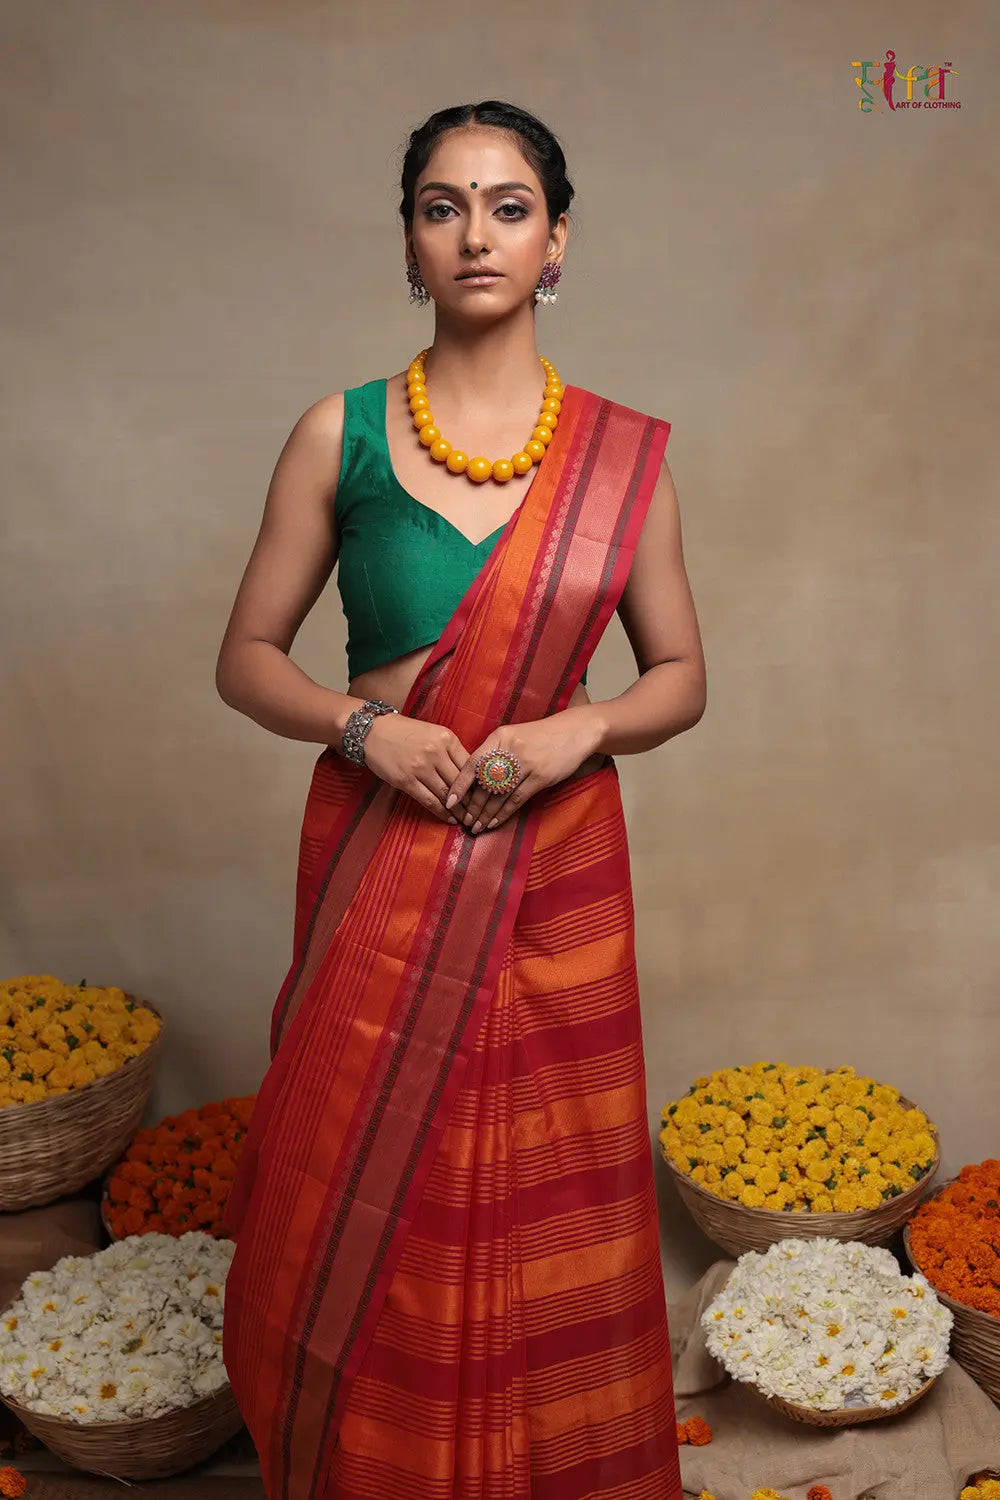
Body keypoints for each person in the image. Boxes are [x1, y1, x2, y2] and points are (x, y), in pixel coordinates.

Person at [216, 99, 706, 1500]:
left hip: (554, 870)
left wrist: (580, 730)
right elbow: (247, 658)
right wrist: (363, 728)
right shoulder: (343, 433)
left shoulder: (622, 458)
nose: (476, 234)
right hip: (383, 854)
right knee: (369, 1174)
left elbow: (681, 675)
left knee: (548, 1182)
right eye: (443, 206)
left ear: (556, 242)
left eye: (508, 206)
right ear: (410, 245)